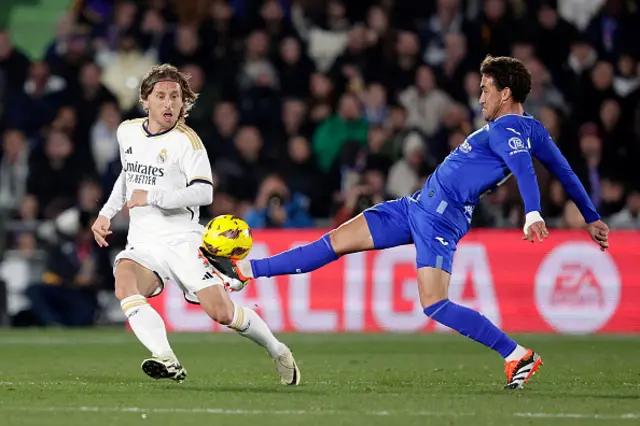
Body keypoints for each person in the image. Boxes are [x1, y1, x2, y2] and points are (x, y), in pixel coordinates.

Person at [219, 56, 610, 390]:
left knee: (435, 304)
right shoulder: (532, 130)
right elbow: (566, 171)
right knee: (334, 242)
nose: (481, 97)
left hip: (442, 218)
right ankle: (244, 270)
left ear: (506, 93)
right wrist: (592, 218)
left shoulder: (509, 128)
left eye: (486, 88)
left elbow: (526, 170)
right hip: (415, 206)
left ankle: (516, 354)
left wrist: (533, 212)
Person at [91, 64, 300, 385]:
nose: (168, 103)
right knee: (124, 284)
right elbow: (128, 174)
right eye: (160, 96)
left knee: (222, 312)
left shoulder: (187, 142)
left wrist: (154, 196)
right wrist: (106, 213)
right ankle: (166, 358)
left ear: (183, 103)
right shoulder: (127, 131)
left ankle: (278, 350)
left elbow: (204, 191)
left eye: (175, 96)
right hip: (144, 243)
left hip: (183, 241)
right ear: (145, 100)